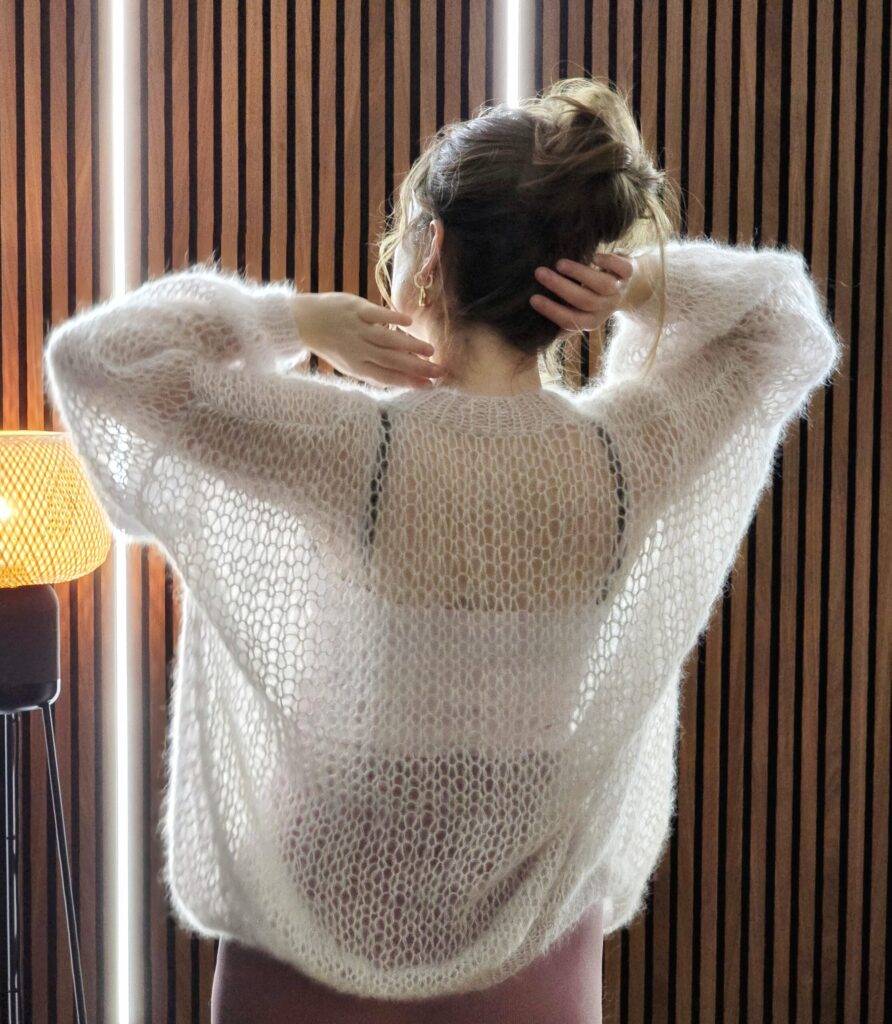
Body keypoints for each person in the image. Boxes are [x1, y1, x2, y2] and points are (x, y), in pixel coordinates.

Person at [43, 76, 842, 1024]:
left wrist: (294, 321)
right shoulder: (624, 462)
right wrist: (637, 284)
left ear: (431, 254)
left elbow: (98, 361)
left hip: (326, 910)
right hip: (533, 933)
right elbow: (783, 320)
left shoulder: (356, 450)